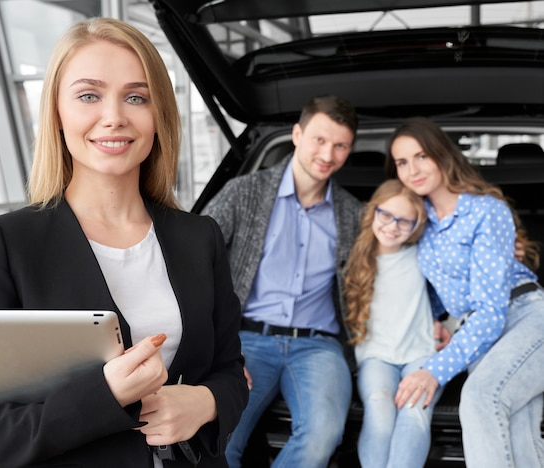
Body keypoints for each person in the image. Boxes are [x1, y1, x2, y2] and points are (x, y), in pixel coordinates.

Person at [0, 17, 248, 467]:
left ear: (158, 115)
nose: (115, 116)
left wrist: (207, 403)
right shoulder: (7, 243)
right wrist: (104, 397)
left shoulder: (201, 237)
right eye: (88, 95)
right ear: (57, 114)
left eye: (136, 97)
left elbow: (230, 372)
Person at [202, 95, 361, 467]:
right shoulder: (244, 193)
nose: (328, 154)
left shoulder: (354, 214)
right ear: (297, 134)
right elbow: (194, 262)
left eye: (340, 146)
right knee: (219, 442)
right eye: (319, 140)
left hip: (318, 347)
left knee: (322, 437)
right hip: (246, 341)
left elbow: (388, 270)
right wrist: (218, 348)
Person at [386, 116, 544, 467]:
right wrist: (437, 318)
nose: (413, 169)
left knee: (480, 397)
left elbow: (490, 311)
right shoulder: (419, 220)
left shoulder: (486, 211)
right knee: (520, 432)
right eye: (402, 162)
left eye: (421, 156)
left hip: (525, 316)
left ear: (442, 155)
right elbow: (440, 287)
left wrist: (434, 371)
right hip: (476, 331)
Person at [344, 178, 443, 468]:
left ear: (416, 227)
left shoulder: (423, 254)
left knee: (414, 412)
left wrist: (446, 326)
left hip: (421, 354)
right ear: (373, 211)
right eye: (385, 215)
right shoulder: (354, 258)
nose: (392, 226)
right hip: (375, 356)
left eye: (404, 221)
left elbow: (454, 292)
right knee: (379, 406)